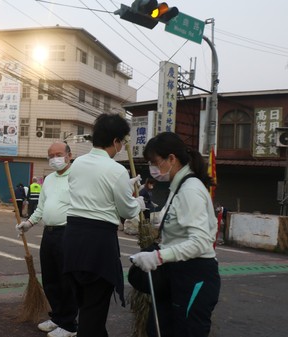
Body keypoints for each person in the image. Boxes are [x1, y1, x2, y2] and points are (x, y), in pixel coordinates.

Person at [130, 132, 220, 337]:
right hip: (177, 272)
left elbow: (201, 242)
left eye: (155, 162)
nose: (153, 168)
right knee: (159, 329)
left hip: (194, 274)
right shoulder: (178, 187)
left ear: (172, 158)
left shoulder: (190, 190)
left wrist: (158, 256)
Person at [63, 114, 144, 337]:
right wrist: (137, 201)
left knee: (85, 304)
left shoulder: (77, 163)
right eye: (123, 142)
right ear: (116, 141)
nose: (121, 147)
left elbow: (92, 192)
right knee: (94, 308)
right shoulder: (116, 170)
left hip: (72, 239)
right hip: (98, 243)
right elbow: (127, 211)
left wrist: (123, 186)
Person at [16, 142, 78, 337]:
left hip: (68, 233)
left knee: (66, 279)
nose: (54, 159)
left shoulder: (77, 176)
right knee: (50, 278)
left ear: (69, 155)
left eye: (58, 154)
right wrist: (29, 223)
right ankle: (58, 317)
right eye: (50, 155)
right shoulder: (49, 179)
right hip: (49, 234)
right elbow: (41, 208)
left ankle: (69, 325)